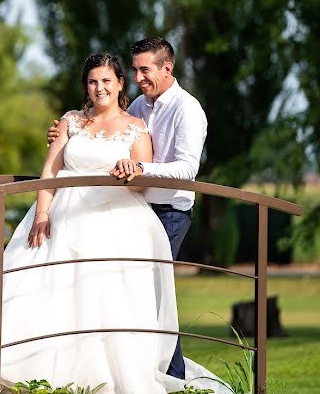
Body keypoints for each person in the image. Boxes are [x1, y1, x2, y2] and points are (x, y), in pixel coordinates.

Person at [0, 53, 220, 394]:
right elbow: (50, 171)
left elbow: (144, 179)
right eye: (92, 81)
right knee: (33, 291)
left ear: (120, 84)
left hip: (114, 219)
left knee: (105, 300)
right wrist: (42, 213)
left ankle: (101, 378)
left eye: (107, 81)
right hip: (60, 215)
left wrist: (131, 172)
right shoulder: (70, 121)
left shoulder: (137, 127)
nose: (99, 88)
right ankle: (20, 372)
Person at [46, 37, 207, 380]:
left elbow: (187, 169)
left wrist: (139, 169)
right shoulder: (139, 105)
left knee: (150, 292)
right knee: (123, 291)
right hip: (135, 208)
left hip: (169, 211)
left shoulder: (188, 110)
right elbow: (107, 127)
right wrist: (63, 133)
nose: (139, 77)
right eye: (134, 70)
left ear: (168, 68)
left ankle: (170, 376)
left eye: (144, 70)